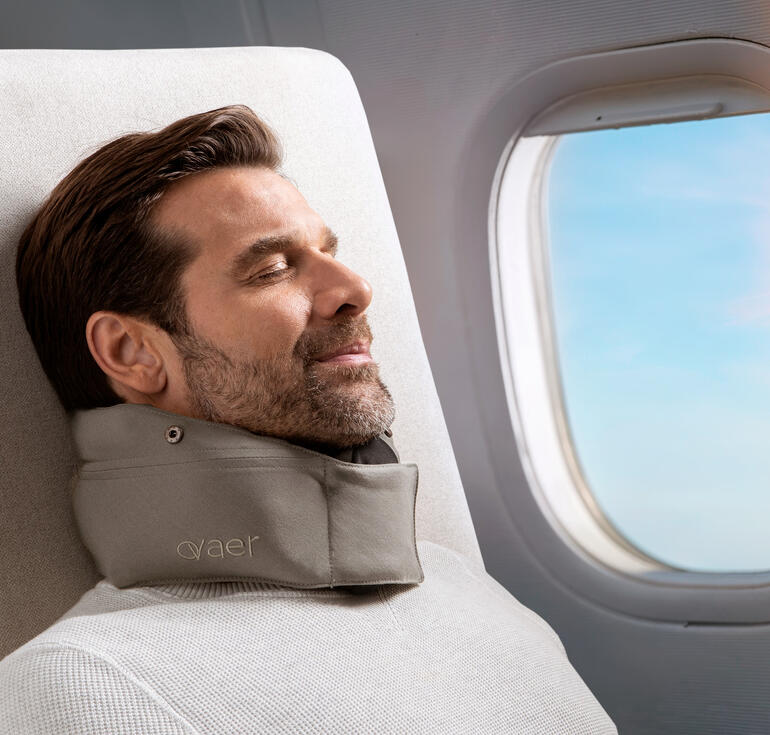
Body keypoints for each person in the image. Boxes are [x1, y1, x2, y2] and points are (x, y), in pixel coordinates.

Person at [0, 104, 617, 733]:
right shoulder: (81, 682)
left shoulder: (468, 591)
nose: (355, 288)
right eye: (271, 269)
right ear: (132, 352)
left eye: (329, 252)